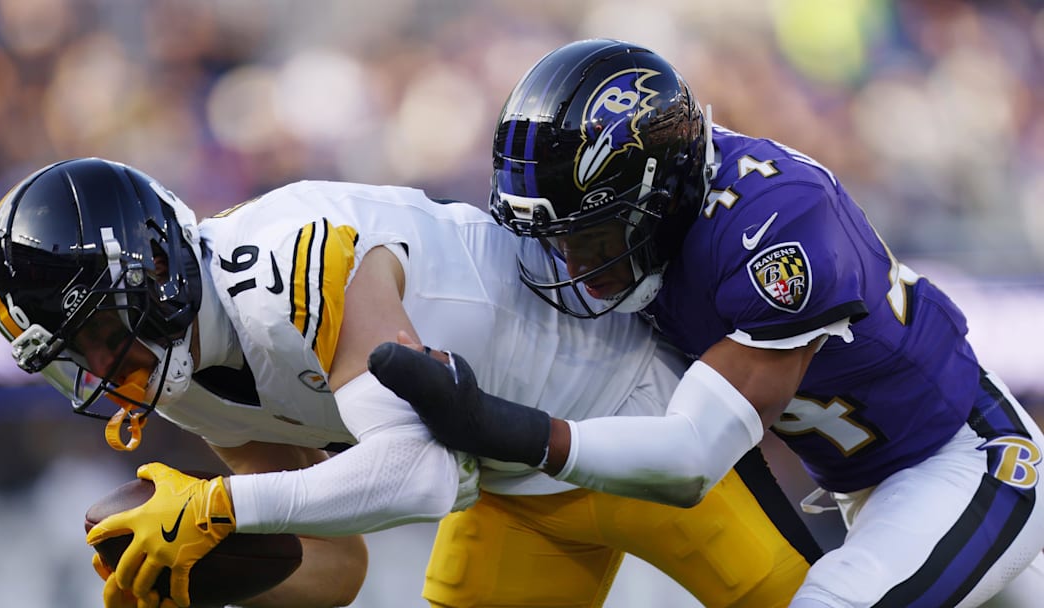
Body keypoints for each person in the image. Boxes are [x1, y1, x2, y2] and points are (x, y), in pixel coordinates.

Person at [366, 38, 1044, 608]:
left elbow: (691, 458)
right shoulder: (656, 224)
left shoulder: (773, 225)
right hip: (860, 484)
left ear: (663, 195)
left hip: (961, 458)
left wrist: (498, 426)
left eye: (593, 237)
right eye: (557, 239)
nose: (572, 265)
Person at [0, 158, 822, 608]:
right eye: (75, 356)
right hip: (517, 494)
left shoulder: (288, 268)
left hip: (633, 422)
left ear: (155, 270)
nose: (100, 370)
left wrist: (218, 508)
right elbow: (334, 564)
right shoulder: (184, 376)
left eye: (100, 333)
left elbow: (419, 473)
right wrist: (206, 576)